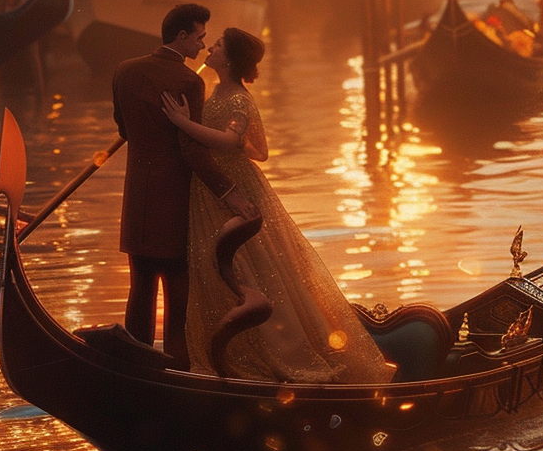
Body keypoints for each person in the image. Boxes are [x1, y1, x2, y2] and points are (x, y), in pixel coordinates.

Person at [161, 27, 393, 384]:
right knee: (217, 268)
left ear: (231, 58)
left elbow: (229, 141)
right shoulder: (217, 90)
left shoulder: (238, 98)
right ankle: (228, 353)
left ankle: (275, 352)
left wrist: (182, 122)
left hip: (233, 187)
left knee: (251, 268)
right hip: (209, 190)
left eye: (219, 44)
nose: (211, 47)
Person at [112, 4, 255, 369]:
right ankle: (177, 371)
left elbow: (124, 131)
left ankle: (135, 368)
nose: (202, 44)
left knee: (140, 289)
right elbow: (191, 152)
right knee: (178, 297)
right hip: (173, 201)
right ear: (181, 37)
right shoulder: (189, 82)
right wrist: (228, 191)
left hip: (136, 200)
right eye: (200, 37)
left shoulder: (124, 71)